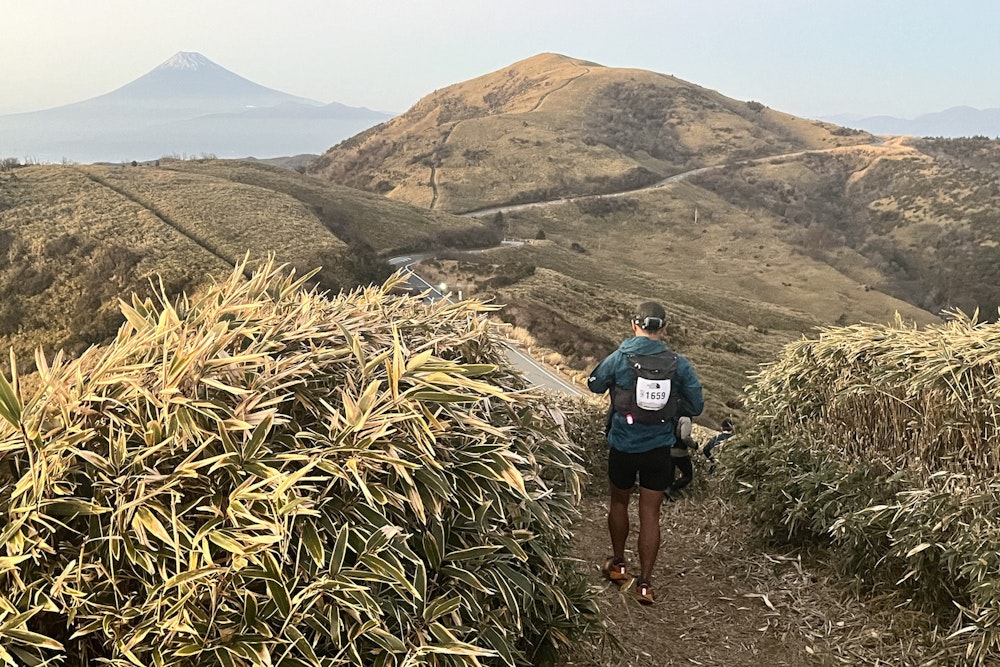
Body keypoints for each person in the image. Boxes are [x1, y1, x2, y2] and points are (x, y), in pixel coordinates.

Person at [588, 301, 704, 605]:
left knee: (618, 502)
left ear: (633, 325)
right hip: (659, 450)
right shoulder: (679, 363)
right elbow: (697, 407)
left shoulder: (620, 357)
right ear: (664, 328)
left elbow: (594, 384)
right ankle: (645, 584)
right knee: (650, 514)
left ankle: (618, 565)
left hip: (623, 445)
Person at [666, 416, 696, 500]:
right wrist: (694, 445)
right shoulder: (685, 419)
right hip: (680, 452)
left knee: (670, 473)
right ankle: (673, 489)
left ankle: (667, 490)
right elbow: (685, 437)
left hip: (668, 450)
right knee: (688, 475)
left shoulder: (670, 415)